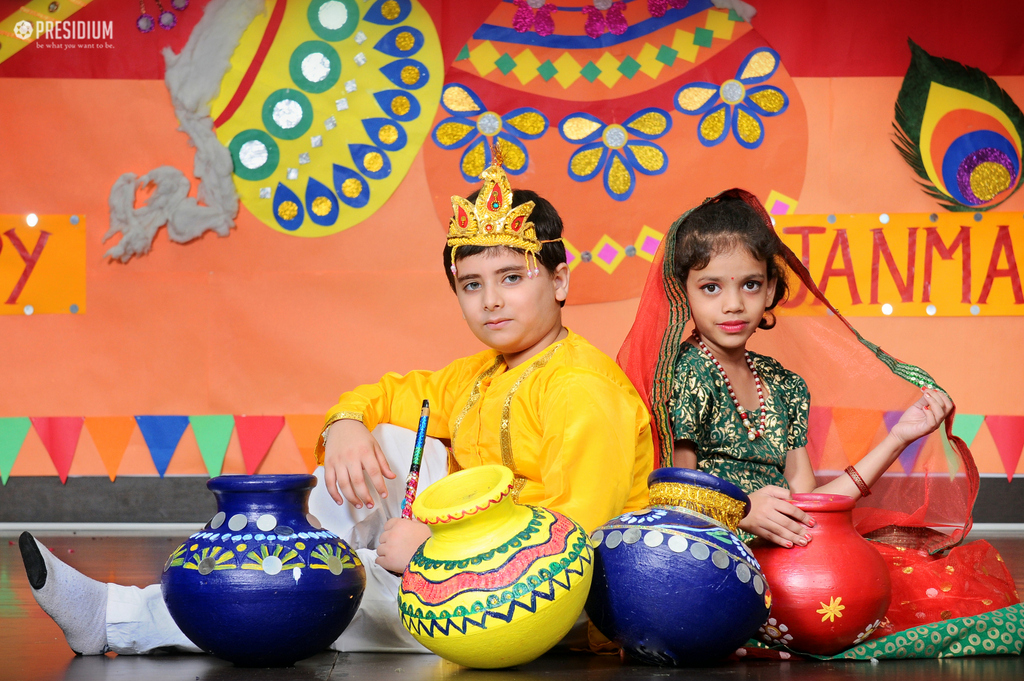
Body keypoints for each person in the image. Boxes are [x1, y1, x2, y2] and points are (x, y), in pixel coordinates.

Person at [19, 148, 653, 657]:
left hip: (538, 601)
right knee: (389, 441)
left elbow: (573, 537)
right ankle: (303, 560)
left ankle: (124, 618)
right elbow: (383, 395)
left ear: (560, 280)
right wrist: (348, 424)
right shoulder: (480, 374)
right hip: (467, 556)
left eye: (512, 278)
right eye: (471, 284)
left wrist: (434, 544)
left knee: (336, 601)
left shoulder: (581, 388)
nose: (491, 301)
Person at [617, 188, 1021, 657]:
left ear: (770, 288)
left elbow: (814, 509)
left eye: (750, 285)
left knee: (918, 589)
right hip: (714, 558)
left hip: (791, 554)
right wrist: (743, 510)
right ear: (682, 291)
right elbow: (673, 497)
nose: (732, 305)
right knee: (821, 610)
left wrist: (899, 436)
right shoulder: (686, 375)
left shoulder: (785, 385)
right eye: (711, 287)